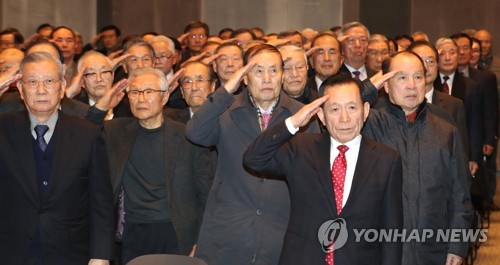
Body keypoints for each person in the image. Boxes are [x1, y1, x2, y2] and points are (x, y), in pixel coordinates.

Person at [243, 74, 403, 265]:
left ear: (365, 110)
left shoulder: (386, 159)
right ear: (321, 115)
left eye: (352, 108)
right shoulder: (301, 149)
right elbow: (254, 159)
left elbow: (391, 230)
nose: (344, 118)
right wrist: (292, 123)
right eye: (334, 109)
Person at [186, 44, 319, 265]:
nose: (267, 78)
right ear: (245, 78)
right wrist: (226, 91)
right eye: (258, 71)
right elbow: (195, 133)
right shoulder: (225, 111)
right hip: (229, 234)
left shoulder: (302, 116)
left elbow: (310, 180)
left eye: (274, 70)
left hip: (280, 232)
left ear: (282, 75)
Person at [0, 51, 114, 264]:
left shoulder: (87, 133)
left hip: (71, 253)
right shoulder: (3, 128)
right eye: (32, 82)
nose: (41, 90)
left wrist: (101, 256)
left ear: (62, 87)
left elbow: (101, 202)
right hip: (11, 252)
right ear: (21, 91)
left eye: (49, 81)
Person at [363, 51, 473, 265]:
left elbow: (460, 195)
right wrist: (368, 88)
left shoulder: (445, 130)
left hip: (433, 250)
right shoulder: (368, 124)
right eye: (402, 77)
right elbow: (334, 108)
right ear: (385, 85)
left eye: (418, 77)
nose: (412, 85)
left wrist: (457, 246)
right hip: (379, 249)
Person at [103, 67, 212, 264]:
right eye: (135, 92)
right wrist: (103, 107)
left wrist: (202, 240)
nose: (141, 99)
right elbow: (78, 133)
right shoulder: (115, 132)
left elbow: (206, 194)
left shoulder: (188, 137)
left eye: (149, 92)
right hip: (131, 232)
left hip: (176, 232)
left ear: (165, 97)